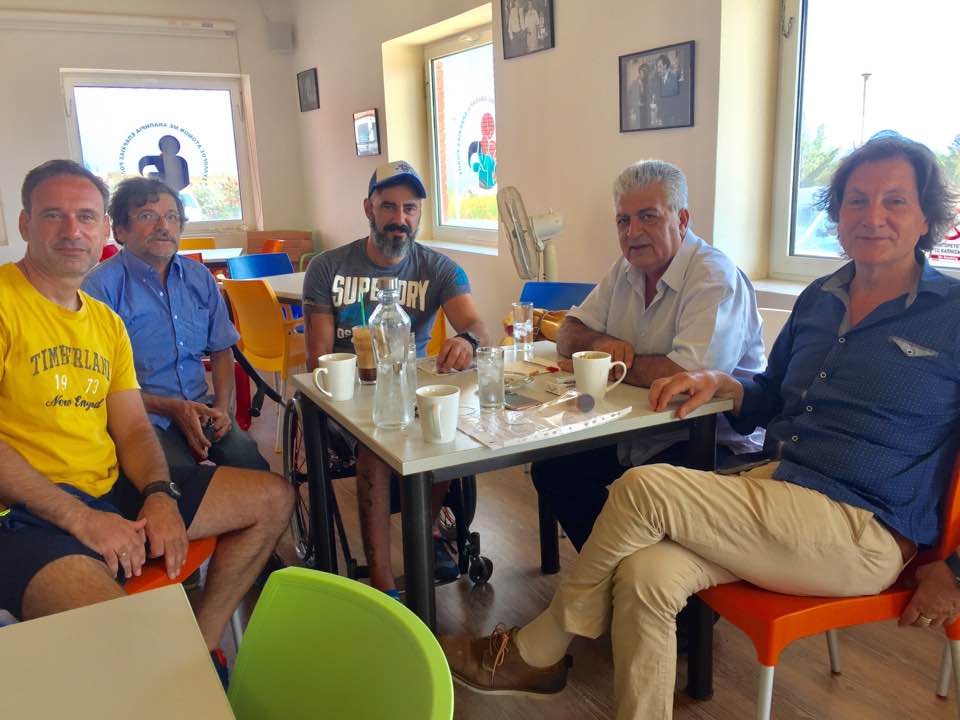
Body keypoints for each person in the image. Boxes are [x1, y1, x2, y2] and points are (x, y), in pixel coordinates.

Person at [440, 132, 960, 719]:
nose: (871, 216)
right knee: (643, 574)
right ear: (838, 214)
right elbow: (771, 397)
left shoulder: (951, 313)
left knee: (642, 488)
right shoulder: (821, 298)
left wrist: (955, 570)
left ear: (926, 217)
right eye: (856, 200)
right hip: (782, 486)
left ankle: (539, 649)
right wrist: (726, 385)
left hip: (864, 526)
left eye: (895, 201)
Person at [0, 159, 293, 684]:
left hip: (109, 489)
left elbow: (133, 427)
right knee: (130, 651)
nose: (72, 231)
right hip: (21, 515)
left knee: (272, 497)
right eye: (53, 215)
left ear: (100, 231)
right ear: (24, 224)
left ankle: (200, 652)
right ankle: (172, 678)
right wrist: (82, 519)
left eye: (85, 217)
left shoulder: (104, 323)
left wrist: (158, 494)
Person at [531, 159, 764, 553]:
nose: (632, 232)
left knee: (637, 495)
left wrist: (611, 363)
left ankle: (635, 574)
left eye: (648, 217)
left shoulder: (714, 277)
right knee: (553, 469)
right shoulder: (625, 269)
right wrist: (602, 343)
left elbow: (685, 378)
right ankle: (617, 571)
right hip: (637, 427)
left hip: (708, 438)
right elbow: (568, 332)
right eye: (623, 220)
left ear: (682, 219)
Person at [302, 160, 490, 597]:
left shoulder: (440, 269)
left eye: (410, 208)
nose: (399, 218)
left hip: (410, 390)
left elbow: (478, 327)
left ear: (420, 212)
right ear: (368, 208)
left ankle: (424, 530)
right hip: (347, 396)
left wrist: (465, 340)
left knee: (448, 428)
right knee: (375, 448)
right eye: (388, 206)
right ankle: (382, 582)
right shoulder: (328, 268)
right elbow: (318, 359)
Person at [83, 177, 269, 472]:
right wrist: (171, 408)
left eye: (171, 217)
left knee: (253, 466)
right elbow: (98, 383)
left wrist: (222, 408)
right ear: (120, 230)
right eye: (147, 216)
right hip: (139, 416)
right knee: (177, 478)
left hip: (201, 407)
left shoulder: (199, 277)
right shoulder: (99, 288)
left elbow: (222, 349)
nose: (163, 226)